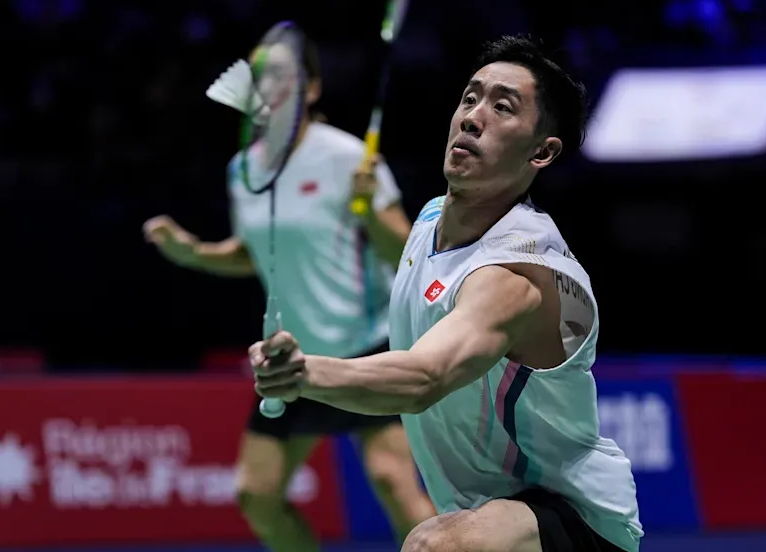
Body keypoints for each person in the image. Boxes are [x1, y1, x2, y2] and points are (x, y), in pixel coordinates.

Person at [250, 35, 643, 552]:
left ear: (542, 152)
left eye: (502, 107)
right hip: (488, 514)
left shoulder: (516, 275)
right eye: (470, 98)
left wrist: (304, 374)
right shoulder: (432, 216)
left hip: (573, 517)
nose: (473, 117)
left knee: (434, 546)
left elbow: (424, 378)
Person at [143, 29, 435, 552]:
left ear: (312, 88)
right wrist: (193, 252)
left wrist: (370, 209)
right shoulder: (244, 170)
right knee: (256, 494)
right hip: (295, 354)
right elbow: (256, 254)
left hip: (368, 344)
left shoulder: (347, 157)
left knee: (393, 481)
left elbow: (407, 254)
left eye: (282, 75)